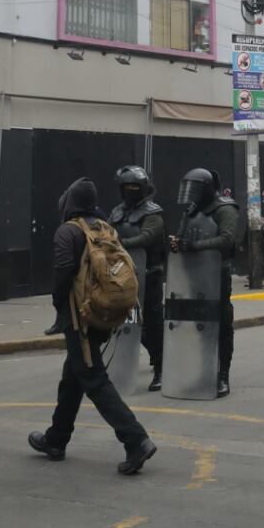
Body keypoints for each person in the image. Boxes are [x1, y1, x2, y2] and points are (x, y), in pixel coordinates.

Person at [27, 177, 157, 475]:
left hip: (80, 317)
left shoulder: (68, 231)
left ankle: (136, 439)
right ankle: (56, 440)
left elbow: (62, 274)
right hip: (103, 315)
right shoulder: (105, 228)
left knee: (93, 379)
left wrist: (59, 308)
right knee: (73, 376)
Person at [167, 167, 239, 397]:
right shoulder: (191, 209)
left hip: (217, 274)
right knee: (198, 328)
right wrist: (177, 243)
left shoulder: (225, 209)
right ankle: (202, 373)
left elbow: (227, 239)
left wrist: (195, 246)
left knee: (221, 325)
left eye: (196, 189)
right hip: (193, 275)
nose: (192, 194)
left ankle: (222, 376)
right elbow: (182, 234)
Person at [109, 165, 165, 392]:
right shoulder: (117, 212)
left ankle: (162, 365)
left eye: (134, 187)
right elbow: (107, 231)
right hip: (121, 275)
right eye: (126, 187)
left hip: (148, 274)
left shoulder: (153, 213)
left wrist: (120, 244)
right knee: (127, 321)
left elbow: (147, 237)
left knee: (151, 322)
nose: (130, 191)